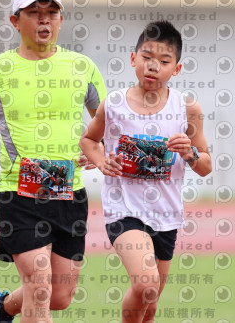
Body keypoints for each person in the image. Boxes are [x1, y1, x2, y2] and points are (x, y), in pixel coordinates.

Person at [0, 0, 106, 323]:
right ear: (15, 21)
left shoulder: (83, 67)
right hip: (18, 193)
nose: (44, 20)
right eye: (34, 13)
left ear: (61, 20)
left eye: (51, 13)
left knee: (59, 296)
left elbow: (106, 121)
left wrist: (97, 146)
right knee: (39, 285)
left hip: (69, 193)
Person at [79, 20, 212, 323]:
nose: (153, 66)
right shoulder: (114, 104)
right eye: (147, 57)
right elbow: (88, 140)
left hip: (166, 214)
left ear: (176, 69)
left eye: (164, 61)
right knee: (146, 283)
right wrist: (101, 162)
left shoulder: (187, 108)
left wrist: (189, 153)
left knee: (149, 306)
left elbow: (206, 166)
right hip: (124, 210)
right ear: (133, 58)